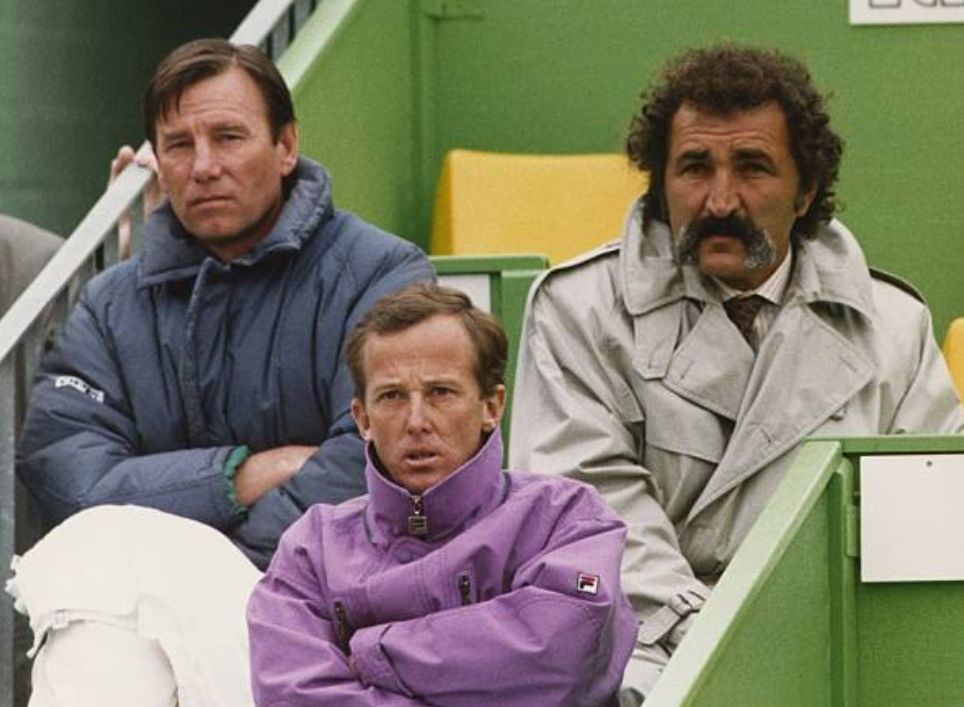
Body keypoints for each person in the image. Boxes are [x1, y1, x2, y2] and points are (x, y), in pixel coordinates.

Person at [509, 44, 964, 702]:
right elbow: (586, 515)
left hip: (834, 640)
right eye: (695, 168)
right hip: (641, 640)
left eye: (752, 167)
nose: (720, 200)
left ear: (805, 191)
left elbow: (930, 517)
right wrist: (722, 640)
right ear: (661, 185)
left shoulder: (893, 325)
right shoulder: (578, 309)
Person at [16, 38, 433, 569]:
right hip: (148, 597)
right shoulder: (109, 306)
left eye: (228, 137)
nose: (204, 166)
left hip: (332, 592)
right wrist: (239, 477)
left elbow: (378, 460)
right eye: (179, 145)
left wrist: (224, 569)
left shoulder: (381, 273)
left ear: (286, 146)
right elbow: (71, 479)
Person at [247, 283, 638, 706]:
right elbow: (292, 695)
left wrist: (374, 650)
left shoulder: (566, 519)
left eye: (441, 393)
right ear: (362, 418)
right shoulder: (311, 550)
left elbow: (563, 646)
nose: (417, 421)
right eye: (392, 396)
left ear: (492, 407)